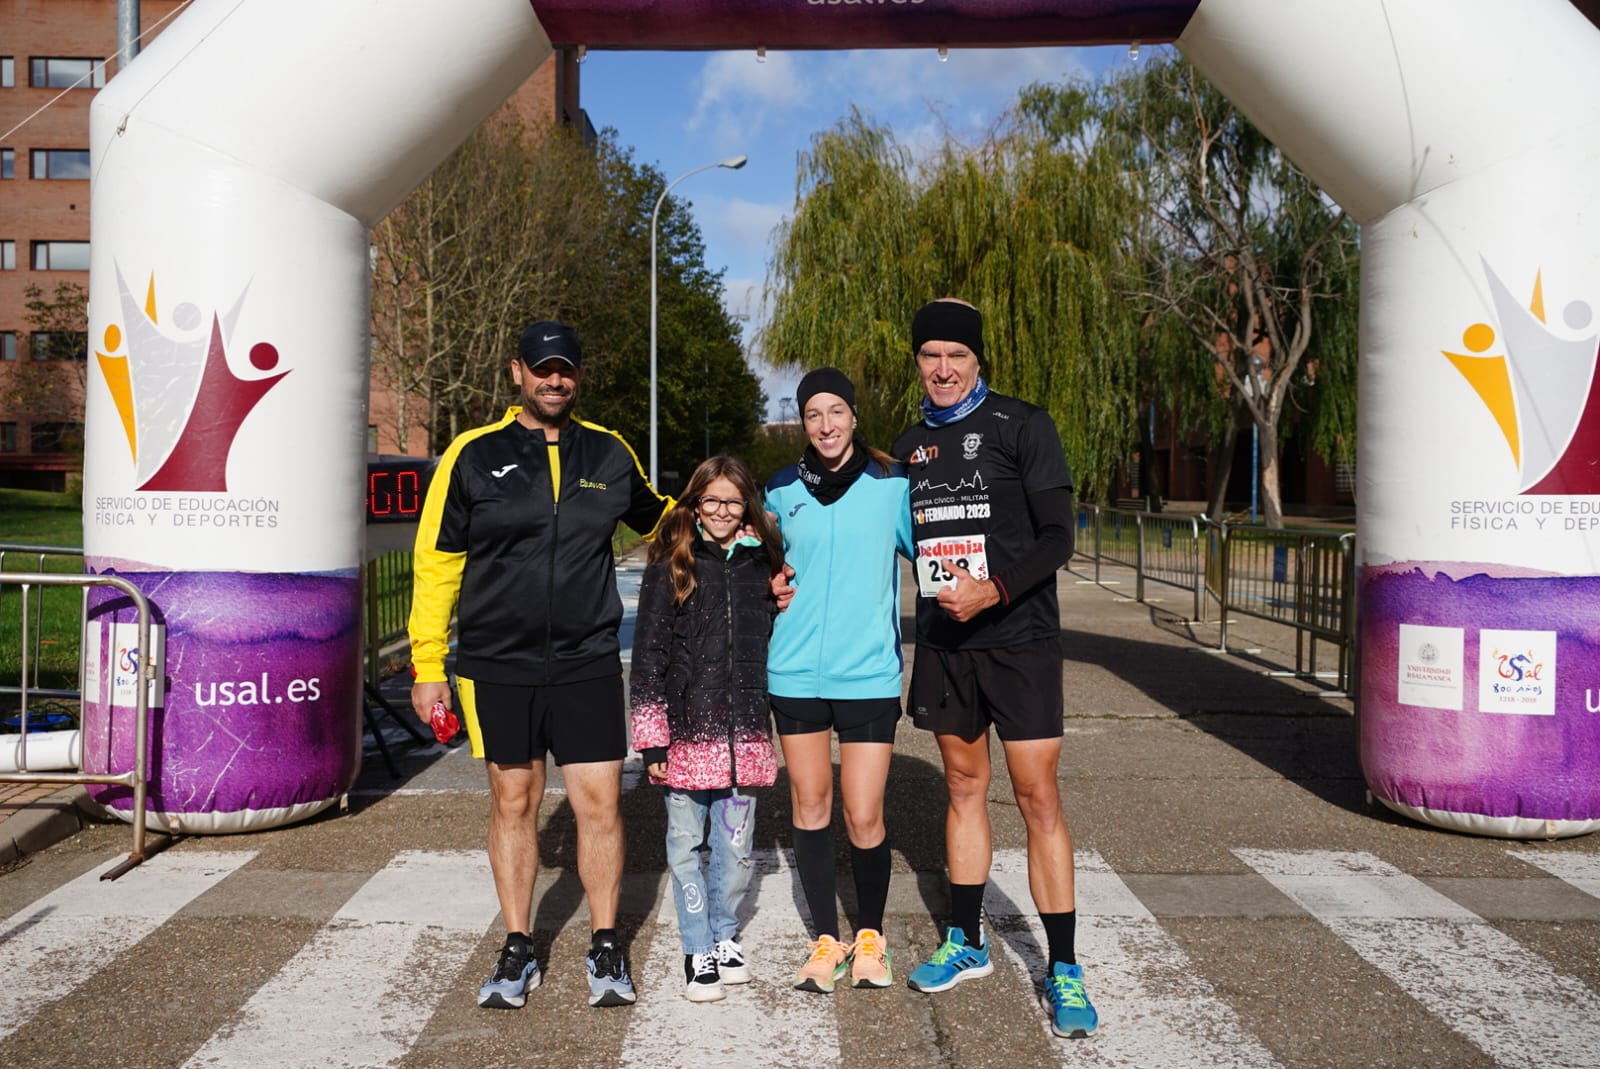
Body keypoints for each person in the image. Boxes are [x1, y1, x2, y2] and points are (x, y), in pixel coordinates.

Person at [409, 319, 670, 1012]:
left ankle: (607, 939)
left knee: (601, 803)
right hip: (498, 662)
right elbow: (436, 564)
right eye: (543, 368)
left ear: (578, 377)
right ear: (517, 372)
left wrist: (753, 542)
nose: (555, 380)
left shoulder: (610, 453)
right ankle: (520, 941)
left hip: (586, 659)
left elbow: (667, 523)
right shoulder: (471, 454)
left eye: (567, 370)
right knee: (514, 802)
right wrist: (426, 663)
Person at [892, 299, 1099, 1039]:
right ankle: (967, 939)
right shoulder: (909, 442)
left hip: (1021, 639)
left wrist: (997, 589)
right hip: (947, 645)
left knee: (1037, 795)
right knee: (962, 787)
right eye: (929, 356)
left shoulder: (1022, 425)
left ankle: (1065, 966)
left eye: (956, 355)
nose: (943, 369)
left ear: (978, 360)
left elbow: (1058, 538)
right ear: (916, 361)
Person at [764, 367, 913, 994]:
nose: (825, 425)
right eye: (813, 415)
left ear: (853, 416)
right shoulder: (778, 491)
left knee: (863, 812)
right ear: (804, 422)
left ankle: (870, 936)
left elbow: (938, 553)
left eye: (835, 412)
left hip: (869, 675)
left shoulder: (892, 486)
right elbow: (755, 564)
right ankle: (825, 939)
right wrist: (766, 586)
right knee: (811, 805)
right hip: (795, 672)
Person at [629, 455, 784, 1002]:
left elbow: (775, 629)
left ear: (748, 506)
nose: (721, 511)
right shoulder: (672, 562)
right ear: (695, 504)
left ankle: (724, 935)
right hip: (686, 738)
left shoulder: (762, 563)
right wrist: (651, 739)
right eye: (710, 500)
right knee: (685, 846)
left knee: (738, 853)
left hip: (745, 737)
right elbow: (647, 655)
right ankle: (697, 949)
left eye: (732, 501)